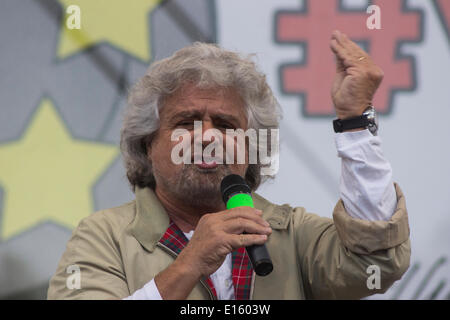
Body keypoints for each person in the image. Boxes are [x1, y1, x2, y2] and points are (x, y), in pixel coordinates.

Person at [47, 30, 410, 300]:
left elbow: (376, 261)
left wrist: (353, 121)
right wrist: (191, 262)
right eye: (186, 122)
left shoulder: (291, 233)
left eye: (225, 125)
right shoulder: (103, 236)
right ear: (147, 143)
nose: (207, 137)